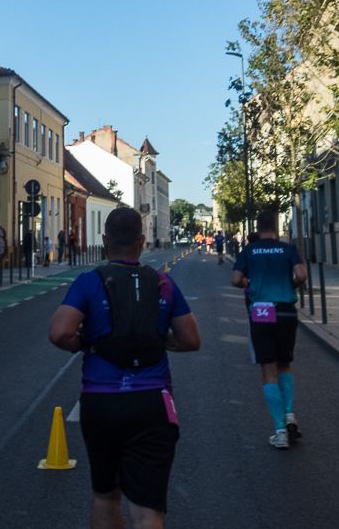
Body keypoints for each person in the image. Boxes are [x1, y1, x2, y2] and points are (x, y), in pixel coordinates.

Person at [49, 208, 201, 529]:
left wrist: (86, 343)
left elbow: (60, 331)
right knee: (147, 510)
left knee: (105, 496)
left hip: (100, 403)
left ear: (104, 241)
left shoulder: (89, 282)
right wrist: (162, 341)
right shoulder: (163, 283)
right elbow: (191, 340)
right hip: (152, 402)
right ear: (142, 242)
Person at [231, 211, 307, 448]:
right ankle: (290, 415)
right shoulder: (288, 249)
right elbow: (302, 275)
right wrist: (290, 284)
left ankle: (279, 431)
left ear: (257, 226)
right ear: (276, 226)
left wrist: (249, 283)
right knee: (285, 364)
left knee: (268, 368)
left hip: (262, 311)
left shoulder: (250, 250)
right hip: (286, 310)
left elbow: (235, 280)